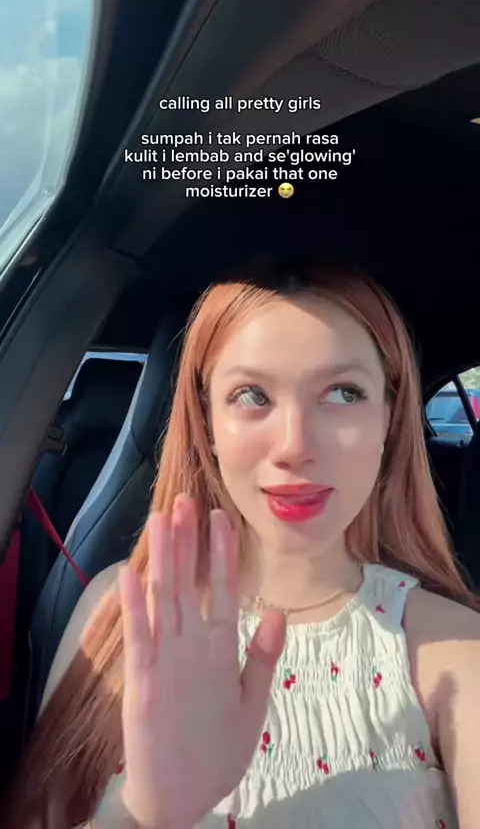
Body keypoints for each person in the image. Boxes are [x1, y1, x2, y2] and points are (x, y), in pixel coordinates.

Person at [4, 260, 480, 828]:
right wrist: (142, 813)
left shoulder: (454, 650)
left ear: (389, 419)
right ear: (207, 424)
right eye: (252, 395)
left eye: (343, 392)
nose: (295, 445)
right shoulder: (122, 608)